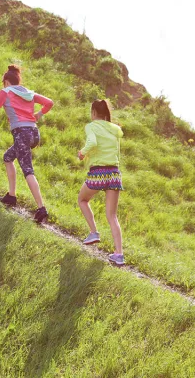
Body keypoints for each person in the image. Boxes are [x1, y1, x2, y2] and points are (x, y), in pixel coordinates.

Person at [0, 64, 54, 223]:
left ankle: (41, 209)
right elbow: (49, 103)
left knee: (28, 170)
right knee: (8, 157)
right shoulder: (28, 92)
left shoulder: (5, 92)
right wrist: (38, 115)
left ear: (6, 82)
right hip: (34, 133)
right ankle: (11, 196)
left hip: (21, 134)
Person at [77, 99, 125, 265]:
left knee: (82, 200)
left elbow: (92, 143)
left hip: (98, 173)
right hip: (114, 173)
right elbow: (117, 154)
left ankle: (94, 232)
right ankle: (119, 254)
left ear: (94, 113)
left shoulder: (91, 126)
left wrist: (82, 153)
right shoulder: (115, 130)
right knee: (112, 216)